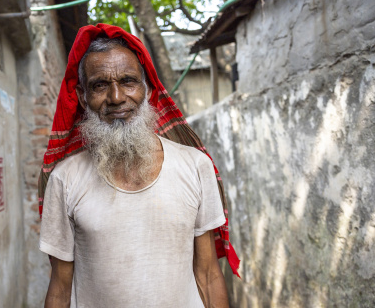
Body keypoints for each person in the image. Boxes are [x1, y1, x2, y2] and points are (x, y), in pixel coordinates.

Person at [38, 24, 240, 308]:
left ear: (147, 89)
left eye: (128, 81)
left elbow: (207, 275)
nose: (117, 97)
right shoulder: (65, 179)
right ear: (84, 97)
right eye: (100, 85)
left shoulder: (195, 166)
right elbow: (60, 287)